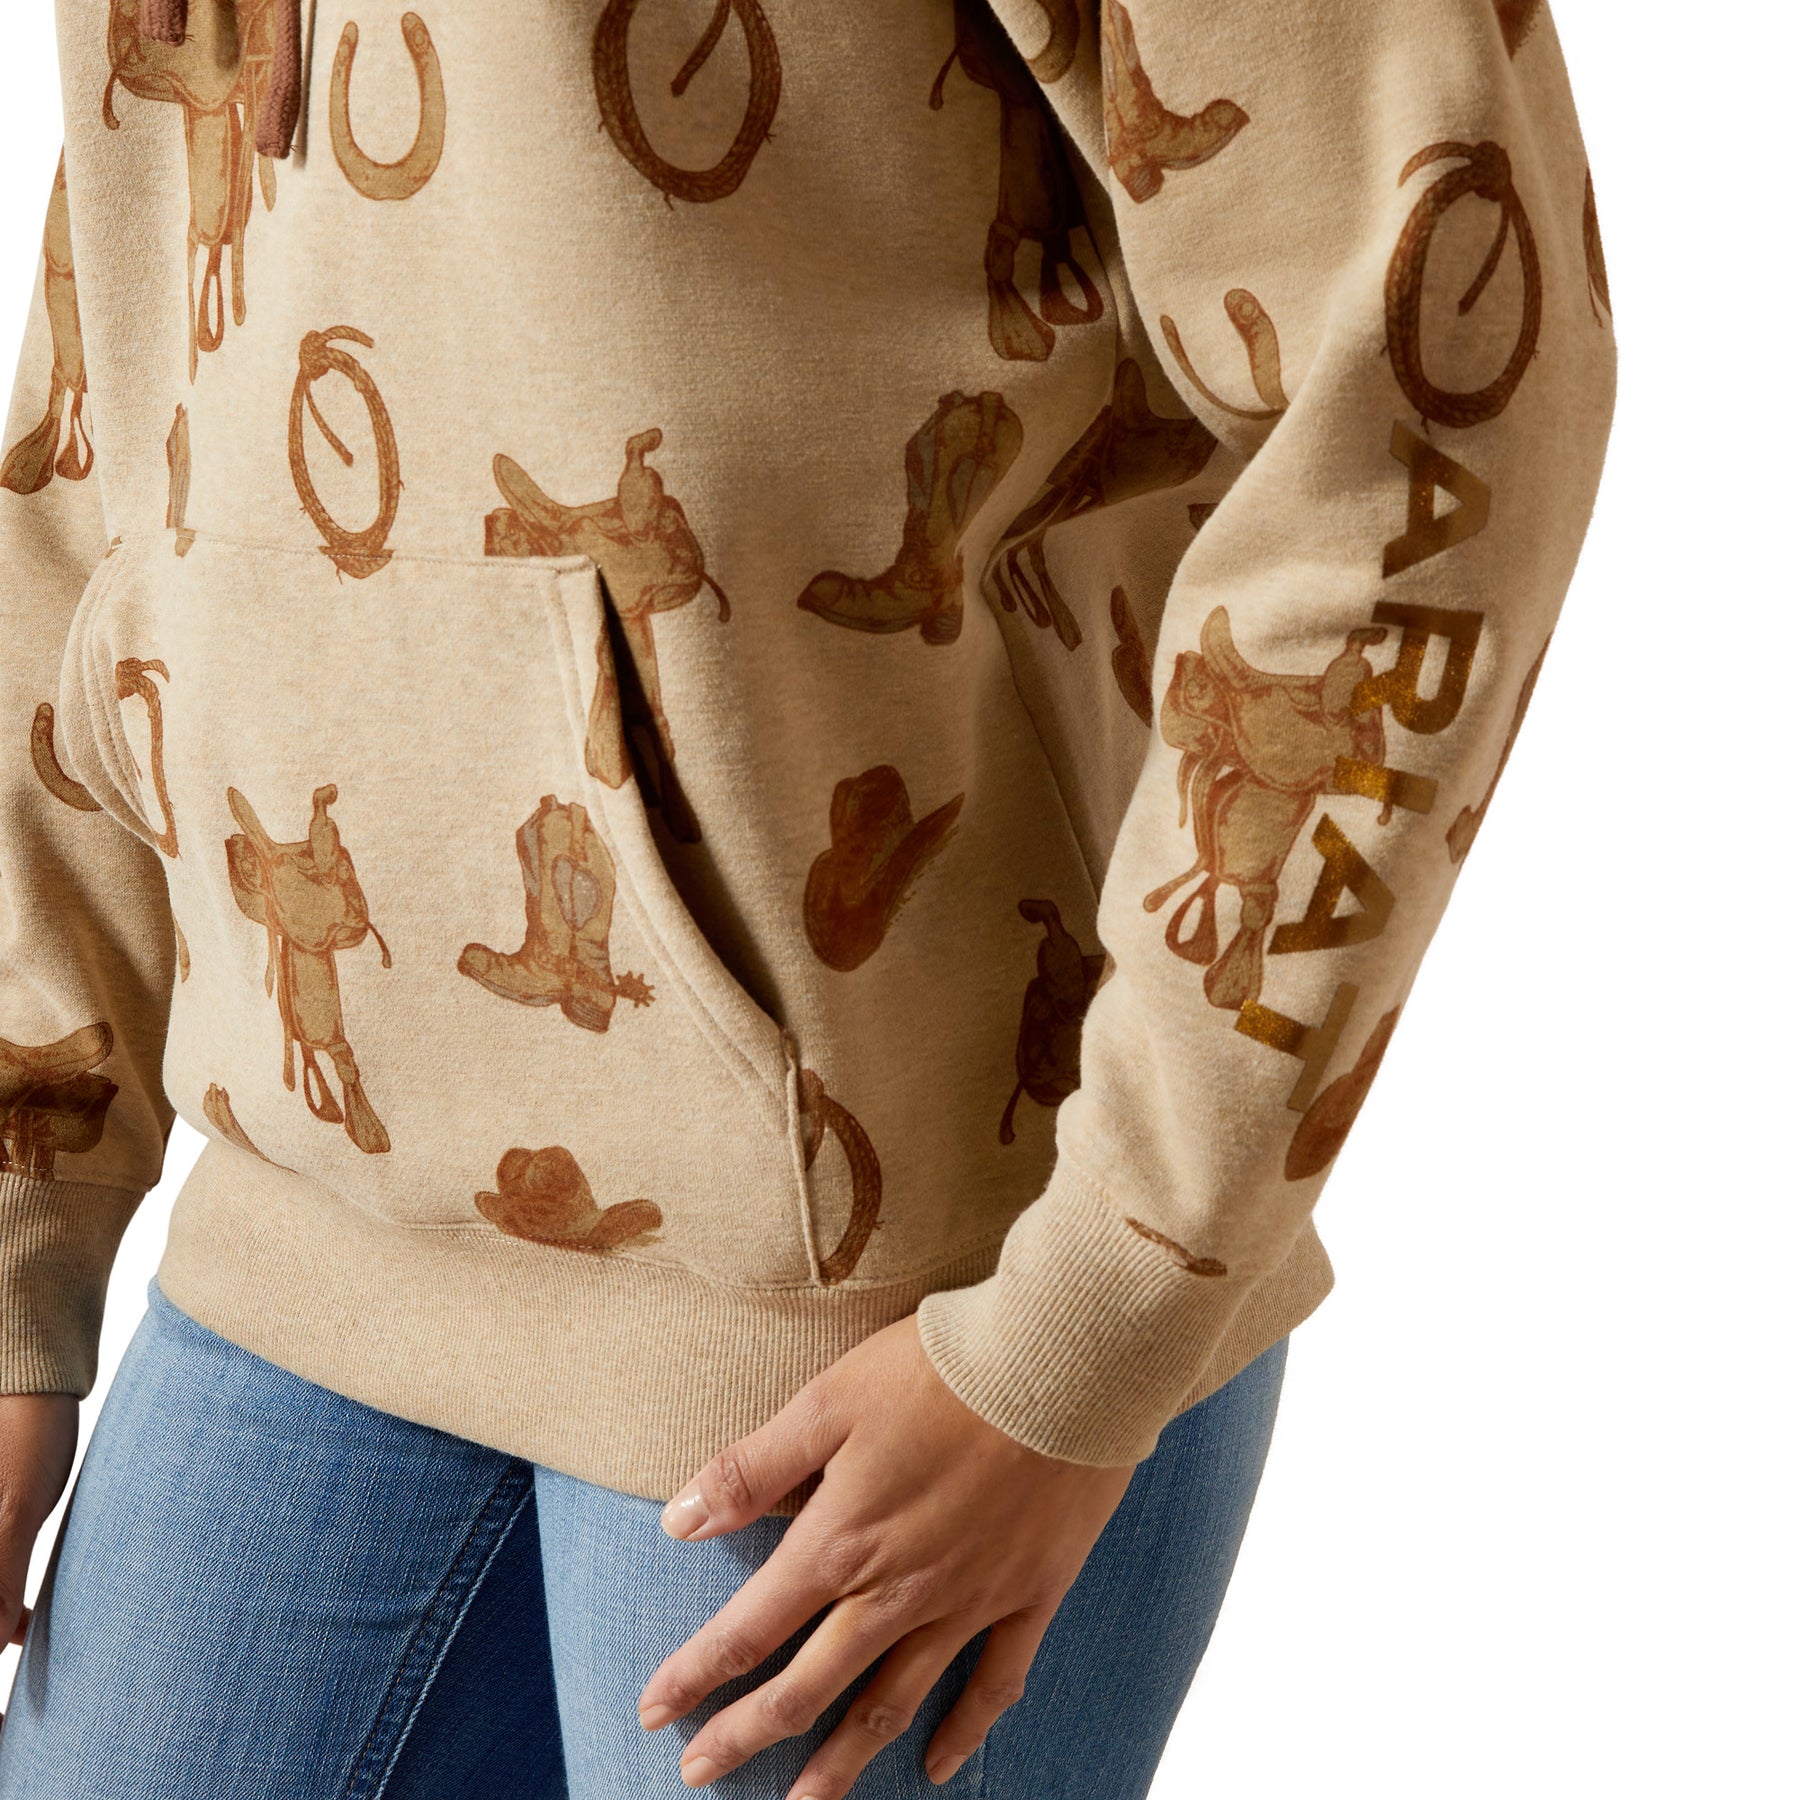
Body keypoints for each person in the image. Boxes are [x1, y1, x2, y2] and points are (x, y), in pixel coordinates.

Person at [0, 1, 1614, 1795]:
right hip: (305, 1215)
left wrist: (1087, 1324)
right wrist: (18, 1206)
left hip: (885, 1305)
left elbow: (1443, 377)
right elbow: (115, 405)